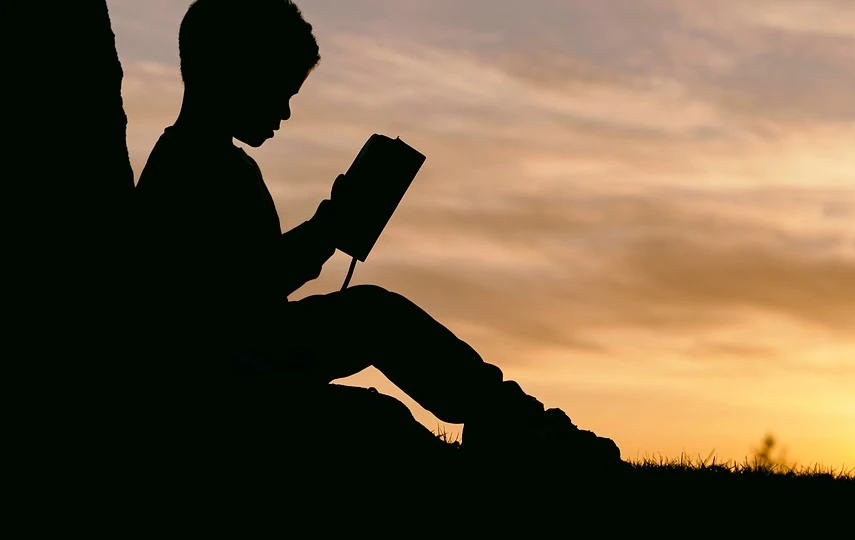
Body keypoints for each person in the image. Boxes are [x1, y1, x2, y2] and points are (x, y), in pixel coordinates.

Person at [134, 0, 620, 467]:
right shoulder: (189, 169)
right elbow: (236, 297)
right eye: (280, 89)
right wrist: (330, 228)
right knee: (379, 409)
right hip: (224, 383)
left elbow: (252, 282)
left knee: (374, 316)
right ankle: (523, 434)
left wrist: (329, 226)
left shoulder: (215, 162)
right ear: (235, 72)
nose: (284, 112)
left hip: (251, 359)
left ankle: (518, 426)